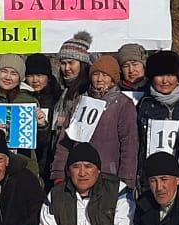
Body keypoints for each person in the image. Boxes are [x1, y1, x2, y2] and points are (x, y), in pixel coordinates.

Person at [50, 53, 140, 189]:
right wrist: (58, 173)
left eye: (105, 75)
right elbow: (65, 140)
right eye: (96, 74)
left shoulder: (123, 104)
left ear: (113, 79)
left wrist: (126, 181)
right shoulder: (79, 101)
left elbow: (129, 145)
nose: (99, 79)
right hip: (78, 175)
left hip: (108, 175)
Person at [52, 31, 93, 139]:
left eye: (71, 63)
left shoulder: (87, 91)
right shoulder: (64, 90)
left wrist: (66, 121)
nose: (66, 68)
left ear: (82, 64)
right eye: (63, 63)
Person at [25, 53, 60, 177]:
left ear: (48, 77)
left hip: (51, 159)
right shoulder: (21, 97)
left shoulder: (58, 98)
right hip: (28, 159)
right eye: (30, 76)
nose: (35, 80)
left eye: (39, 75)